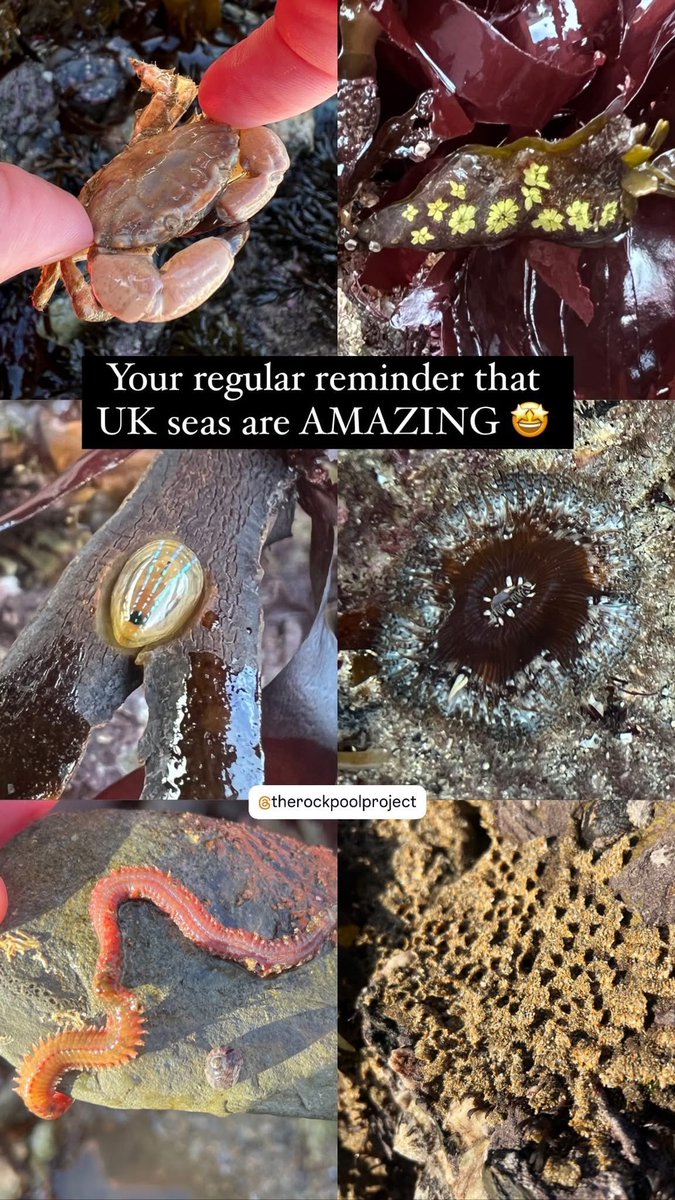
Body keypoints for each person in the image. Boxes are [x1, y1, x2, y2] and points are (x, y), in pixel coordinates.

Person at [0, 0, 335, 286]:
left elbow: (175, 90)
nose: (192, 218)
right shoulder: (89, 236)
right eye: (174, 222)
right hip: (100, 221)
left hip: (175, 147)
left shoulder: (206, 130)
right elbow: (105, 303)